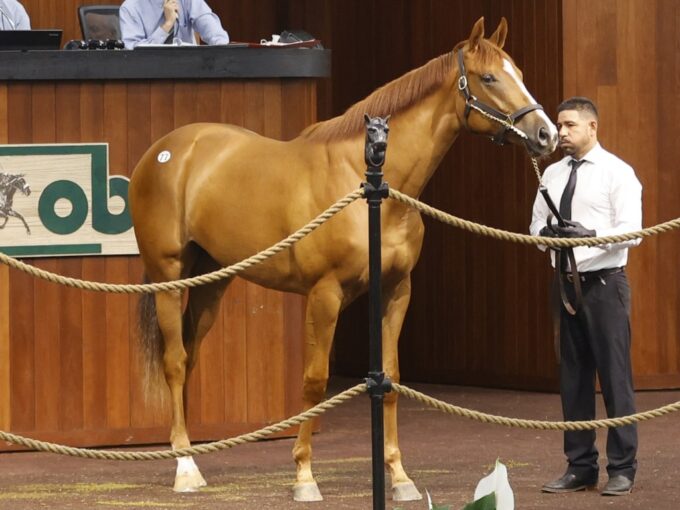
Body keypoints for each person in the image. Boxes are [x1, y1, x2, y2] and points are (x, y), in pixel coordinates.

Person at [530, 97, 642, 496]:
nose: (561, 133)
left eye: (570, 125)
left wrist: (588, 238)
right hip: (563, 284)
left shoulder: (618, 173)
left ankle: (623, 468)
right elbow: (535, 225)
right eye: (559, 125)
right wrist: (548, 238)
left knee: (614, 377)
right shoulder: (551, 175)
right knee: (572, 379)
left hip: (604, 285)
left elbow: (633, 231)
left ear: (592, 127)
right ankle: (580, 466)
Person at [120, 0, 229, 49]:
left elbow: (214, 32)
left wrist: (222, 48)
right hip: (149, 77)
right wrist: (167, 26)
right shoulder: (130, 8)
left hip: (188, 71)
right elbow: (132, 51)